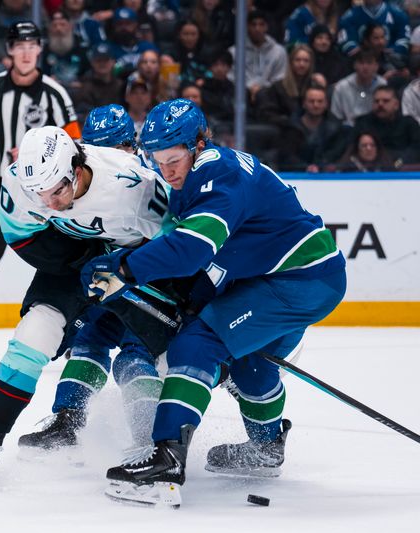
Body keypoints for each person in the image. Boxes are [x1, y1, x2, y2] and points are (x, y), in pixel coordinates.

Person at [79, 98, 346, 505]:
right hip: (305, 277)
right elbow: (217, 256)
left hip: (296, 281)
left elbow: (191, 249)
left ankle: (166, 459)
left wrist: (126, 268)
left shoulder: (216, 171)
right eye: (157, 160)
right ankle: (265, 449)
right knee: (249, 365)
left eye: (174, 159)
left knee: (198, 343)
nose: (166, 171)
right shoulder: (205, 174)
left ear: (199, 143)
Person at [0, 124, 174, 490]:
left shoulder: (135, 186)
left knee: (164, 347)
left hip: (134, 265)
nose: (49, 203)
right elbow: (21, 236)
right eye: (39, 194)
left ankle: (160, 445)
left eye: (57, 190)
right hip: (73, 259)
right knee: (33, 335)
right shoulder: (17, 181)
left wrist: (125, 267)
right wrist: (82, 261)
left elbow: (179, 243)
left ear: (77, 168)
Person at [17, 106, 164, 452]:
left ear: (132, 145)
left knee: (135, 353)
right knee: (87, 341)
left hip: (149, 278)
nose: (107, 156)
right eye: (99, 148)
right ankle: (68, 420)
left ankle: (150, 437)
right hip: (106, 277)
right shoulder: (78, 178)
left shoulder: (145, 180)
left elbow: (171, 237)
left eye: (117, 148)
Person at [0, 21, 80, 358]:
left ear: (39, 49)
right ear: (9, 50)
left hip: (47, 191)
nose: (25, 51)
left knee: (66, 259)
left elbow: (75, 143)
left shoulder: (55, 93)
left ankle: (72, 334)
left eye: (31, 45)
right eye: (18, 45)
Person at [228, 10, 288, 104]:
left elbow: (279, 78)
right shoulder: (234, 52)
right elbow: (231, 77)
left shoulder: (279, 52)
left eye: (261, 24)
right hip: (240, 97)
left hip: (270, 98)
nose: (257, 28)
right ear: (247, 27)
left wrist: (261, 89)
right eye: (253, 24)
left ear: (266, 27)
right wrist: (249, 89)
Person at [350, 84, 420, 164]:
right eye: (376, 101)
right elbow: (353, 149)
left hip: (402, 169)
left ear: (396, 105)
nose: (380, 104)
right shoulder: (363, 123)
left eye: (385, 101)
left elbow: (416, 149)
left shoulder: (409, 123)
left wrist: (400, 161)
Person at [337, 0, 410, 64]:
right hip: (358, 63)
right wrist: (359, 52)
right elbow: (345, 41)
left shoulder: (398, 15)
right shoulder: (349, 16)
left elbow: (404, 40)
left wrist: (394, 50)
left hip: (391, 62)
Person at [330, 49, 386, 126]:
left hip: (376, 128)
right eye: (361, 63)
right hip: (348, 130)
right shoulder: (342, 87)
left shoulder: (383, 85)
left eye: (369, 63)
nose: (365, 67)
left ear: (376, 66)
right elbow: (335, 117)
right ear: (355, 65)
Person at [73, 42, 125, 121]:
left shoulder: (121, 86)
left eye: (106, 60)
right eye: (98, 60)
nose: (102, 64)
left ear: (113, 62)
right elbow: (84, 114)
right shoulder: (84, 87)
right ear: (92, 62)